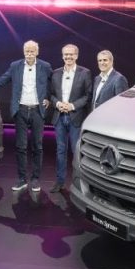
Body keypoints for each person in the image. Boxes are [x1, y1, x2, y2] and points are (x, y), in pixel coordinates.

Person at [0, 40, 52, 192]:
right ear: (24, 52)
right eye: (27, 51)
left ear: (37, 52)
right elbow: (2, 79)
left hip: (37, 111)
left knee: (37, 146)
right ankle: (22, 179)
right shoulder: (15, 66)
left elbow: (52, 83)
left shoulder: (45, 66)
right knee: (21, 146)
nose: (29, 54)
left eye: (32, 51)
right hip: (20, 110)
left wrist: (49, 98)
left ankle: (35, 179)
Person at [49, 44, 92, 193]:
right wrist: (58, 104)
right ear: (62, 56)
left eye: (71, 54)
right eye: (66, 54)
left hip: (76, 117)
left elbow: (87, 95)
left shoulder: (85, 73)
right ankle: (60, 182)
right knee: (60, 151)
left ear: (76, 56)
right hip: (59, 117)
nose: (68, 57)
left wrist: (72, 106)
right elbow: (51, 95)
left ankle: (78, 183)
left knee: (76, 151)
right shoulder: (55, 73)